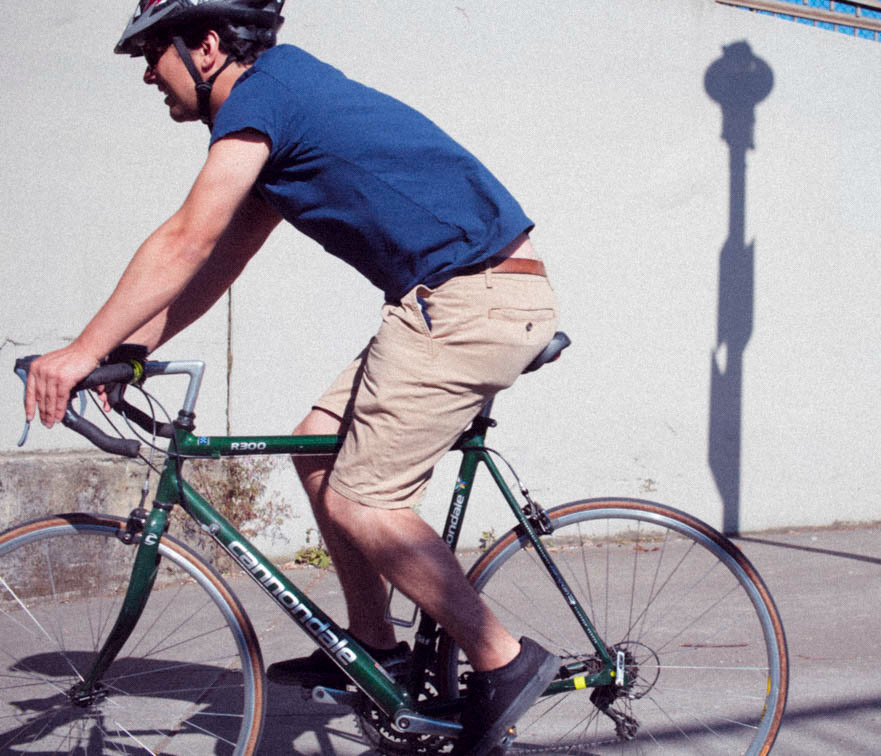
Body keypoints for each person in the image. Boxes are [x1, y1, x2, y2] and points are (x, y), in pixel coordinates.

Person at [23, 1, 561, 753]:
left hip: (470, 299)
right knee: (316, 447)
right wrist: (131, 348)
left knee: (366, 501)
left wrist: (83, 349)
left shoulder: (264, 98)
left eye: (152, 53)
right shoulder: (276, 102)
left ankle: (505, 660)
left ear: (206, 46)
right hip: (452, 299)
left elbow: (184, 239)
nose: (147, 74)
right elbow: (219, 259)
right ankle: (375, 649)